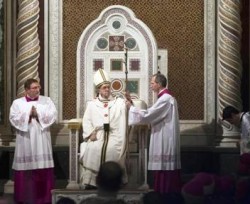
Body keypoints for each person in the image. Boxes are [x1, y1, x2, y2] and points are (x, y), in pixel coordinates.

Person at [126, 72, 181, 194]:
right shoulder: (165, 98)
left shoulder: (166, 99)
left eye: (152, 83)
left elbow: (149, 115)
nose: (150, 85)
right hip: (163, 134)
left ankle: (163, 193)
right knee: (163, 167)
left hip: (165, 137)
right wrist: (132, 103)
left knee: (164, 169)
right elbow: (151, 112)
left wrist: (131, 108)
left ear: (159, 84)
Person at [9, 78, 57, 204]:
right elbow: (13, 118)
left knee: (42, 166)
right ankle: (24, 197)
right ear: (26, 90)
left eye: (38, 87)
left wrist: (38, 115)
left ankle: (44, 198)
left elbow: (53, 115)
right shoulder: (17, 103)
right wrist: (28, 115)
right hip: (25, 138)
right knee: (26, 167)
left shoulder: (47, 101)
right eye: (34, 88)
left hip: (42, 138)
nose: (37, 90)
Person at [79, 68, 128, 189]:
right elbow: (87, 120)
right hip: (97, 136)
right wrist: (90, 134)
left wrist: (128, 103)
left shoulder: (119, 102)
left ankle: (112, 182)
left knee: (112, 149)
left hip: (114, 135)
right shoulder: (92, 104)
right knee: (93, 148)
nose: (107, 89)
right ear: (98, 89)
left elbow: (127, 110)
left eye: (108, 87)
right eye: (104, 87)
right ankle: (92, 183)